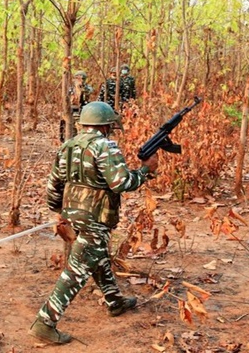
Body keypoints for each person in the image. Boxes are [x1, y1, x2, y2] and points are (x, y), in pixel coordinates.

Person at [28, 101, 159, 344]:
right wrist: (144, 171)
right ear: (107, 125)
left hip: (74, 211)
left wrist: (58, 210)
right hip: (95, 215)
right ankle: (45, 322)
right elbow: (120, 183)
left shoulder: (68, 145)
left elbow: (54, 183)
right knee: (77, 269)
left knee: (95, 255)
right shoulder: (104, 146)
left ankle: (114, 300)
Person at [60, 70, 95, 142]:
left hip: (84, 111)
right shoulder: (71, 88)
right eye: (78, 78)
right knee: (71, 129)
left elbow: (90, 91)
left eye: (82, 78)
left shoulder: (87, 87)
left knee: (82, 129)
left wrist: (81, 88)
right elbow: (67, 98)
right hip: (72, 111)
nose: (80, 80)